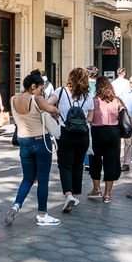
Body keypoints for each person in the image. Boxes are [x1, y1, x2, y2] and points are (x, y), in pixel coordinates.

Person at [5, 72, 61, 227]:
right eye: (41, 89)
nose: (41, 93)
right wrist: (56, 112)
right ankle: (42, 214)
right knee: (42, 180)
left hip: (23, 143)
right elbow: (54, 110)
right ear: (33, 86)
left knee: (28, 178)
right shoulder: (37, 99)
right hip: (40, 142)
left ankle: (16, 206)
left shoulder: (13, 99)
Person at [53, 67, 94, 213]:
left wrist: (57, 114)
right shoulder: (88, 96)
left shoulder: (61, 91)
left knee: (64, 165)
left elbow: (48, 104)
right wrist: (82, 122)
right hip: (82, 134)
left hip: (65, 132)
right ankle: (76, 195)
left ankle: (68, 194)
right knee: (78, 164)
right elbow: (90, 117)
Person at [87, 77, 122, 203]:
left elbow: (89, 119)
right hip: (113, 132)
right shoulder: (117, 101)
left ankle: (96, 188)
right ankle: (107, 194)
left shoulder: (93, 100)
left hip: (97, 132)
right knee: (111, 162)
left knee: (95, 160)